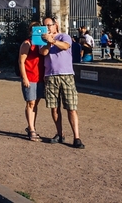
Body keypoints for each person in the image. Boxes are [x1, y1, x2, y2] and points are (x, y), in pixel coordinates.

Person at [40, 17, 84, 149]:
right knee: (54, 107)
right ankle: (59, 133)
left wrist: (53, 40)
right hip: (50, 76)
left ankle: (77, 137)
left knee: (71, 107)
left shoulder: (65, 36)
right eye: (45, 25)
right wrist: (48, 42)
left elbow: (65, 46)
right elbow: (43, 52)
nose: (47, 28)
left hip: (66, 75)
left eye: (49, 25)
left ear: (56, 25)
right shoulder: (42, 40)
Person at [18, 20, 45, 141]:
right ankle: (31, 128)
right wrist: (24, 77)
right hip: (30, 76)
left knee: (36, 103)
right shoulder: (27, 44)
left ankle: (31, 126)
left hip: (40, 77)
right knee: (31, 102)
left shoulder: (42, 44)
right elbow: (21, 61)